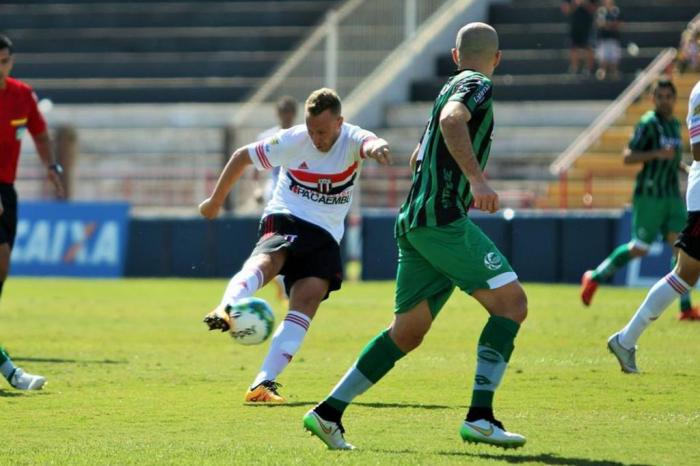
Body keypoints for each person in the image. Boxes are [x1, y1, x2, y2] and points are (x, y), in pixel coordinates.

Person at [303, 22, 527, 450]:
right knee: (513, 304)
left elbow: (418, 154)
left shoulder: (448, 85)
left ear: (456, 55)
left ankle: (328, 412)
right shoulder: (476, 83)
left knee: (406, 332)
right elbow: (451, 121)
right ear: (496, 59)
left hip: (414, 221)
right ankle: (480, 417)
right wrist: (477, 182)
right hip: (442, 220)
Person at [199, 88, 391, 402]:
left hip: (326, 233)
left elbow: (370, 144)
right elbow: (241, 157)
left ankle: (262, 384)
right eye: (312, 130)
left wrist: (378, 146)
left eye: (323, 131)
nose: (316, 138)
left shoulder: (354, 138)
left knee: (308, 298)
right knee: (271, 261)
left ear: (340, 123)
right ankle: (227, 306)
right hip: (287, 214)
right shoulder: (292, 139)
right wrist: (215, 201)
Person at [581, 79, 699, 320]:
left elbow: (672, 158)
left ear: (674, 99)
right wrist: (656, 153)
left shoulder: (675, 124)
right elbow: (628, 157)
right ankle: (595, 276)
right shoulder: (647, 124)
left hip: (672, 195)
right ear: (653, 99)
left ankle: (685, 308)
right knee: (640, 248)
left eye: (669, 96)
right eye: (660, 96)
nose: (665, 100)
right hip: (650, 195)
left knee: (681, 247)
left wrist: (686, 169)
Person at [607, 79, 700, 373]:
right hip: (661, 196)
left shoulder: (672, 122)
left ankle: (625, 340)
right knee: (675, 267)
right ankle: (598, 281)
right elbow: (698, 150)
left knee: (684, 274)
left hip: (675, 195)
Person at [0, 35, 63, 391]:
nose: (1, 68)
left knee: (3, 265)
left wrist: (51, 167)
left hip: (6, 191)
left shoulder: (22, 95)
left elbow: (39, 133)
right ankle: (9, 369)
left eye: (5, 60)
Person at [252, 96, 298, 304]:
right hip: (275, 194)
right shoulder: (268, 136)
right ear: (278, 114)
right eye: (283, 112)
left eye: (289, 112)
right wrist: (256, 189)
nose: (286, 116)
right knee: (275, 241)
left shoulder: (300, 136)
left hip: (296, 195)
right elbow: (256, 168)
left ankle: (282, 279)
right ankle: (280, 279)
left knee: (289, 242)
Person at [561, 0, 598, 76]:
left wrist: (585, 3)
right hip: (575, 24)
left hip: (588, 25)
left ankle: (589, 69)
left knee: (589, 47)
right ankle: (574, 68)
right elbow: (565, 10)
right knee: (573, 47)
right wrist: (574, 4)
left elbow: (595, 9)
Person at [594, 0, 622, 80]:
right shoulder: (601, 11)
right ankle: (602, 74)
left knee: (614, 58)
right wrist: (607, 25)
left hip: (614, 38)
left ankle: (614, 73)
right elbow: (599, 23)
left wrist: (611, 25)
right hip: (603, 39)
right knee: (603, 58)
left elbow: (620, 23)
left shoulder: (616, 11)